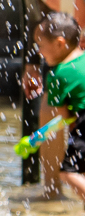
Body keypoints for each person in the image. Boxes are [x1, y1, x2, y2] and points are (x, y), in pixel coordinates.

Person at [9, 0, 85, 194]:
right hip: (65, 55)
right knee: (49, 112)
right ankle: (52, 192)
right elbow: (34, 20)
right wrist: (31, 65)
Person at [30, 14, 85, 203]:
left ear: (60, 44)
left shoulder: (59, 74)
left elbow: (59, 119)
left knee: (68, 173)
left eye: (41, 45)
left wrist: (37, 137)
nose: (39, 52)